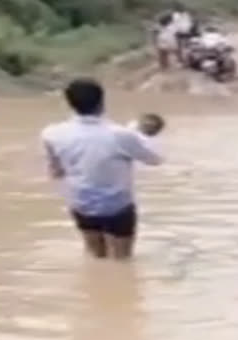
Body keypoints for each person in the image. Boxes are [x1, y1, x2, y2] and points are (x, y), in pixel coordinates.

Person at [41, 79, 164, 260]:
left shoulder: (51, 133)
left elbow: (56, 171)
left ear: (70, 103)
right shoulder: (122, 135)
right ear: (102, 101)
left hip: (82, 204)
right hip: (118, 207)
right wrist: (142, 136)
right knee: (122, 260)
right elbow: (154, 160)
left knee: (95, 256)